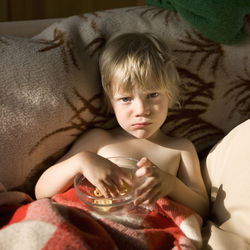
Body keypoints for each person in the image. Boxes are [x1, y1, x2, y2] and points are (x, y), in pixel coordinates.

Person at [35, 32, 209, 218]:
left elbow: (204, 210)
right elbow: (41, 192)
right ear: (111, 102)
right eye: (126, 99)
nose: (141, 110)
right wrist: (82, 161)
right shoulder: (99, 140)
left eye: (153, 95)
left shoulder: (180, 149)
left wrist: (172, 185)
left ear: (170, 94)